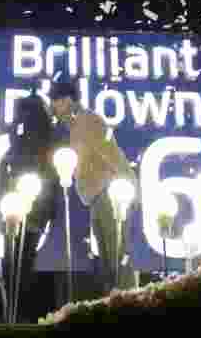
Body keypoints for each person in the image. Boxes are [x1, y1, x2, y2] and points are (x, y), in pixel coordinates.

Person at [48, 80, 139, 297]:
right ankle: (117, 303)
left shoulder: (88, 120)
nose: (53, 108)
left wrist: (129, 188)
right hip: (97, 199)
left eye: (56, 102)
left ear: (67, 100)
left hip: (109, 195)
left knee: (116, 257)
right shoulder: (76, 127)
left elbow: (112, 153)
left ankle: (129, 305)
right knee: (108, 262)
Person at [0, 94, 60, 323]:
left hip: (27, 204)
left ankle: (15, 314)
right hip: (28, 206)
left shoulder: (29, 138)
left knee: (16, 264)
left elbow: (18, 162)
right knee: (20, 263)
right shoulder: (35, 137)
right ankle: (17, 313)